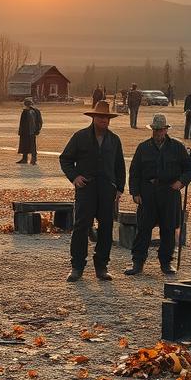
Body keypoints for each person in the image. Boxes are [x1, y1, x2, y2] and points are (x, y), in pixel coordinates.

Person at [58, 100, 125, 282]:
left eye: (107, 117)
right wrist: (74, 177)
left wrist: (119, 188)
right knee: (81, 227)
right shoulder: (80, 137)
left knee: (106, 227)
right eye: (101, 117)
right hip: (86, 189)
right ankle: (77, 267)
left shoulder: (114, 140)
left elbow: (120, 165)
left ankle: (101, 266)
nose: (105, 120)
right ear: (94, 117)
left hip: (107, 190)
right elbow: (65, 159)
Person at [125, 114, 191, 277]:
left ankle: (166, 263)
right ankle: (137, 262)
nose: (158, 133)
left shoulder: (177, 147)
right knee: (143, 229)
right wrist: (135, 192)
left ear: (166, 130)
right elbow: (134, 172)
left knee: (168, 229)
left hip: (169, 192)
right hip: (147, 192)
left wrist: (181, 182)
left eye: (161, 130)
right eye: (156, 130)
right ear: (152, 130)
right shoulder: (143, 147)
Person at [17, 98, 42, 164]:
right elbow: (40, 122)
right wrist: (37, 130)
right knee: (28, 145)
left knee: (30, 145)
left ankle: (31, 160)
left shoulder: (30, 111)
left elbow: (36, 122)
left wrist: (36, 130)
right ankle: (27, 159)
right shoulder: (33, 111)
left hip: (29, 131)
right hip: (29, 131)